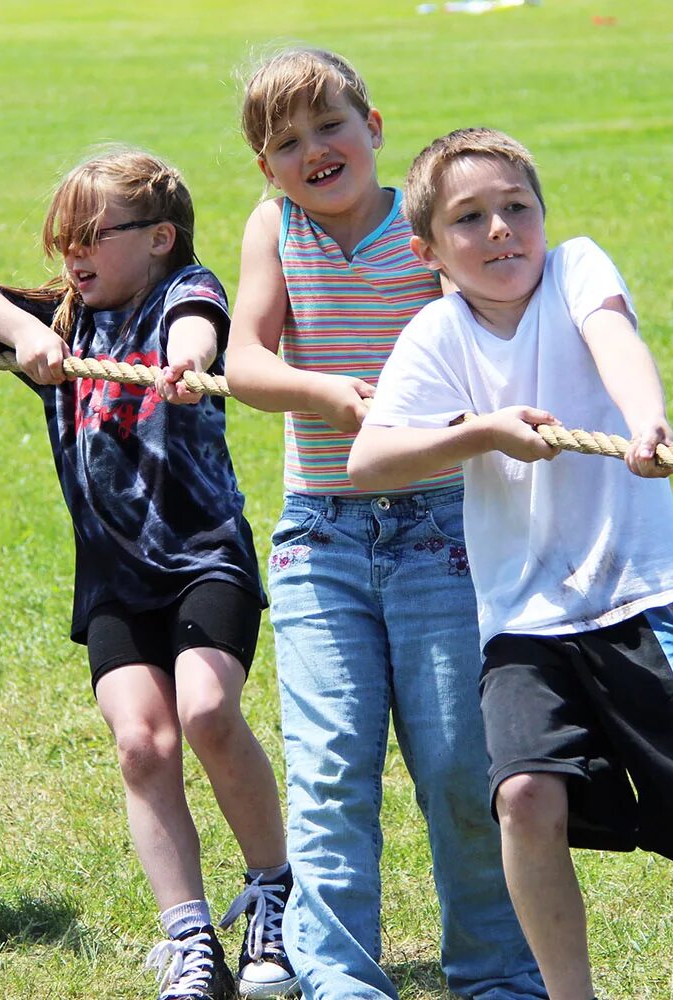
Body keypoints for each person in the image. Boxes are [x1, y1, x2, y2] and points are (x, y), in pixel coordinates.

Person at [349, 127, 673, 1000]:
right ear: (428, 250)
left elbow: (612, 337)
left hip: (642, 601)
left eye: (517, 208)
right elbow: (370, 461)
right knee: (524, 801)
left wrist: (644, 418)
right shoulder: (435, 334)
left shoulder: (577, 267)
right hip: (523, 626)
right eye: (471, 218)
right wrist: (482, 433)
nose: (501, 229)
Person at [0, 146, 294, 1000]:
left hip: (204, 558)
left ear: (161, 237)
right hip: (111, 576)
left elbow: (203, 322)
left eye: (92, 236)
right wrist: (26, 336)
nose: (73, 256)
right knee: (141, 742)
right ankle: (189, 935)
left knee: (206, 712)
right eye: (64, 239)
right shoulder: (66, 322)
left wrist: (185, 360)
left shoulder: (183, 292)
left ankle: (278, 895)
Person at [225, 49, 544, 1000]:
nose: (315, 151)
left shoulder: (425, 228)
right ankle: (342, 981)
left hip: (443, 529)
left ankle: (495, 973)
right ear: (267, 169)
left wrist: (428, 421)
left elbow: (485, 346)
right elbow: (245, 362)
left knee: (457, 765)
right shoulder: (274, 227)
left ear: (374, 126)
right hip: (320, 537)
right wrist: (325, 393)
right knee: (328, 771)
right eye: (287, 143)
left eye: (331, 125)